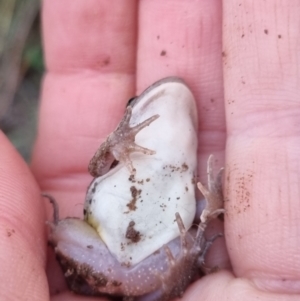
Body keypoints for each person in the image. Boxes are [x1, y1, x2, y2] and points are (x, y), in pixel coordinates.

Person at [1, 1, 300, 300]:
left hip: (146, 263)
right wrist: (117, 142)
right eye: (132, 105)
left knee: (192, 236)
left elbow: (197, 214)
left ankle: (159, 283)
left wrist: (213, 204)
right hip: (101, 251)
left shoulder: (183, 168)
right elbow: (97, 169)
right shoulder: (125, 149)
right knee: (67, 229)